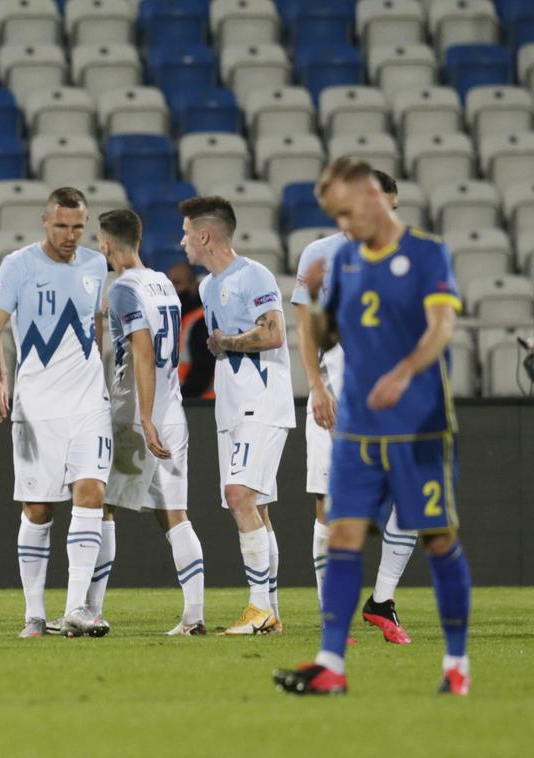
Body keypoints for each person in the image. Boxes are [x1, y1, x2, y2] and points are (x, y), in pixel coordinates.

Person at [275, 158, 471, 696]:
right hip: (357, 423)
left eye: (345, 211)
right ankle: (331, 665)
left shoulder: (427, 253)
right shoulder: (342, 262)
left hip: (415, 422)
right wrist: (314, 301)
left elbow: (441, 328)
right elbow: (326, 335)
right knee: (342, 532)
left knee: (436, 537)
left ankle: (457, 665)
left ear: (373, 197)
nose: (342, 224)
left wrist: (406, 373)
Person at [0, 187, 112, 639]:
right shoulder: (18, 265)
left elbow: (94, 325)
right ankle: (35, 614)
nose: (71, 235)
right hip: (37, 406)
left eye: (78, 226)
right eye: (62, 226)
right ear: (44, 221)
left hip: (89, 404)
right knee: (38, 509)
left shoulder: (96, 265)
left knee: (91, 493)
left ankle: (77, 607)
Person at [292, 169, 416, 645]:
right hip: (335, 396)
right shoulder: (318, 254)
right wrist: (317, 389)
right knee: (329, 506)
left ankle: (381, 601)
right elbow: (306, 331)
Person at [180, 195, 295, 635]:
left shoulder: (254, 275)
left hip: (262, 400)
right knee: (257, 507)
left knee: (238, 495)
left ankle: (258, 607)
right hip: (231, 405)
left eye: (188, 234)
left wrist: (226, 342)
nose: (183, 241)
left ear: (206, 235)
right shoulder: (208, 286)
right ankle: (271, 612)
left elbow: (273, 333)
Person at [98, 209, 207, 636]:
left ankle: (89, 610)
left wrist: (142, 415)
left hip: (135, 412)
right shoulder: (164, 282)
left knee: (99, 507)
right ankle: (194, 614)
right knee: (175, 515)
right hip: (173, 411)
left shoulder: (124, 289)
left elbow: (142, 350)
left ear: (107, 244)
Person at [168, 262, 214, 399]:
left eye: (177, 283)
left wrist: (183, 399)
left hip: (201, 405)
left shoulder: (201, 320)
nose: (174, 291)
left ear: (193, 285)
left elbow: (202, 370)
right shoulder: (181, 319)